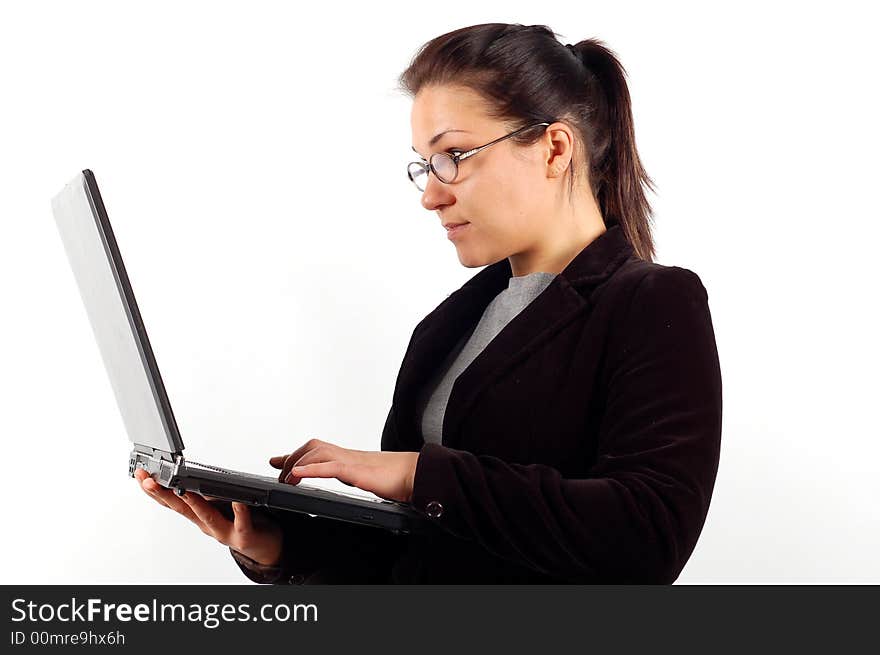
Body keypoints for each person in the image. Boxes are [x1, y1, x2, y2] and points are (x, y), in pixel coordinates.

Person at [135, 22, 722, 584]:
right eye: (424, 165)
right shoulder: (447, 329)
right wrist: (273, 544)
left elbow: (648, 536)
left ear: (554, 147)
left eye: (454, 156)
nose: (432, 195)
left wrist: (421, 475)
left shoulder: (652, 302)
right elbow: (416, 555)